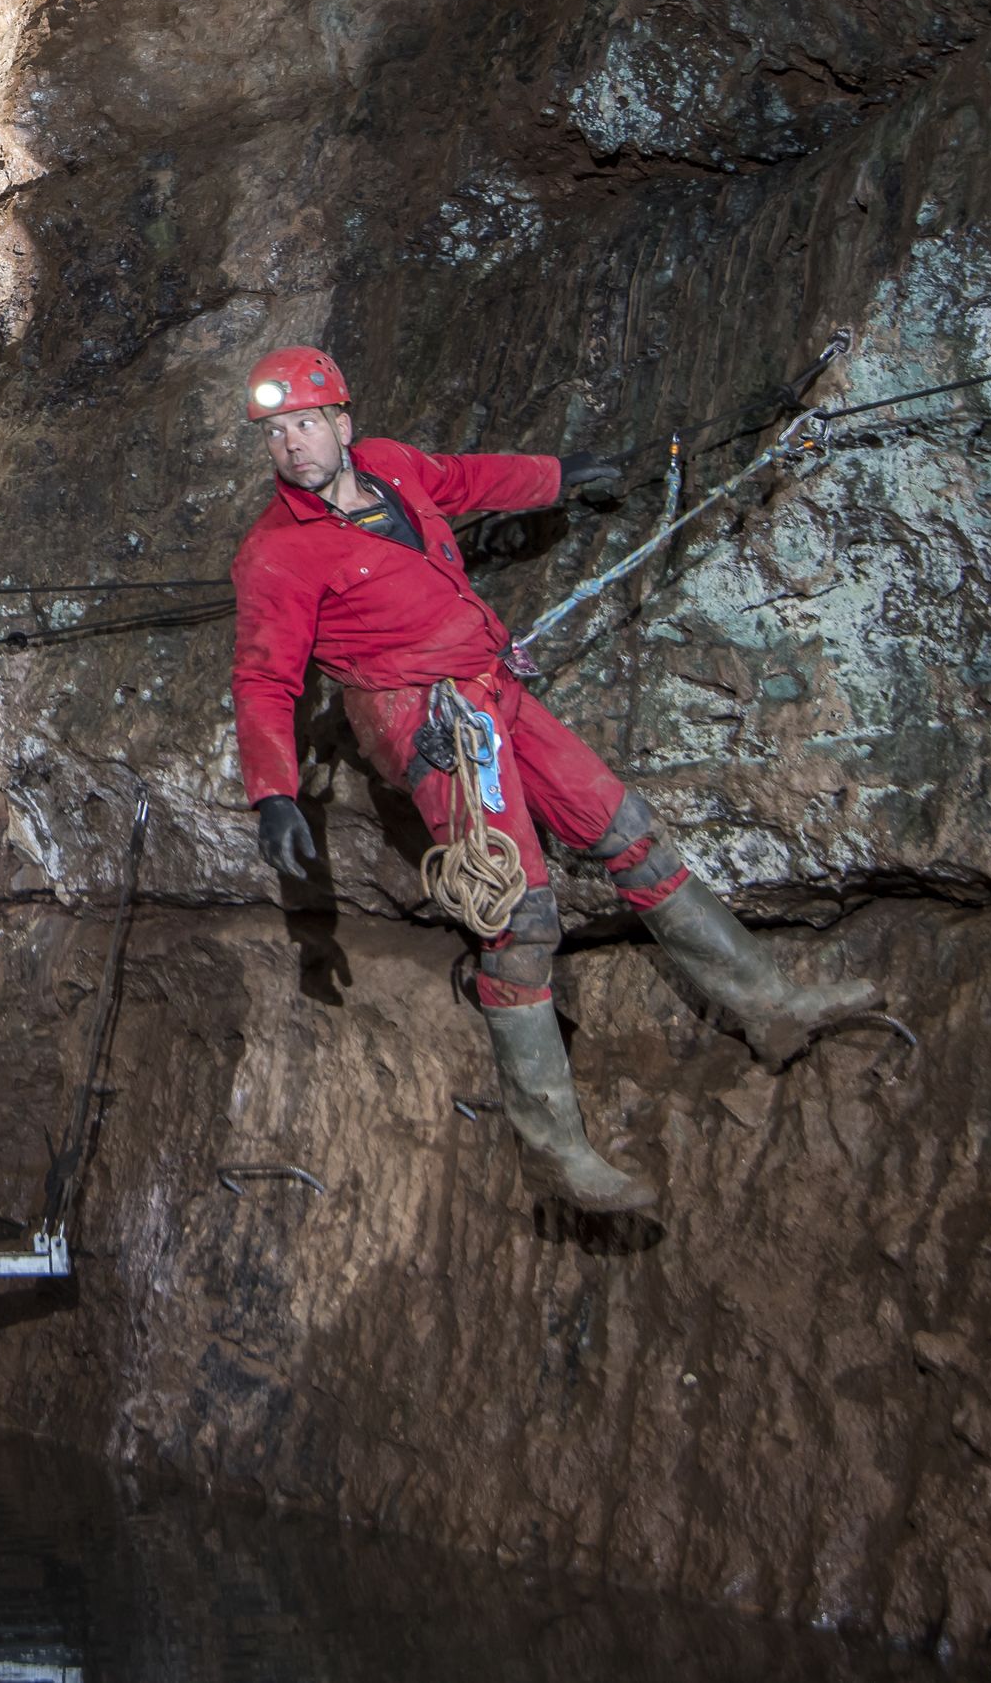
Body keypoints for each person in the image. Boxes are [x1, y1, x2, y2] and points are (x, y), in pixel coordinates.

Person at [229, 347, 877, 1213]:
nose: (292, 445)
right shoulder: (276, 554)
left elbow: (469, 480)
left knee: (626, 831)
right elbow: (263, 679)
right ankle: (553, 1152)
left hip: (492, 686)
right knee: (518, 915)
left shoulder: (389, 467)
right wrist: (274, 793)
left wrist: (563, 475)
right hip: (425, 722)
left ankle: (769, 1005)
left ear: (342, 424)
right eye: (275, 433)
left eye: (306, 424)